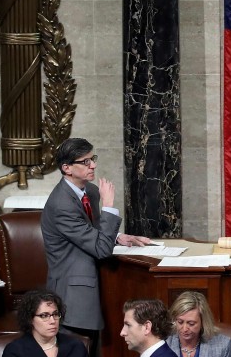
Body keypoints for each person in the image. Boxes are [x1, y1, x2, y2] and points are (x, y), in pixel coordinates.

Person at [42, 137, 154, 340]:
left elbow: (90, 230)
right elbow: (100, 248)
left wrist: (118, 236)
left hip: (97, 282)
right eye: (85, 162)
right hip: (73, 295)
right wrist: (109, 206)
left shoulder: (90, 191)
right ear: (67, 168)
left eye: (92, 158)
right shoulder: (61, 204)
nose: (93, 165)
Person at [0, 289, 100, 357]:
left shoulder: (76, 346)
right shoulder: (15, 350)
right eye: (44, 316)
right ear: (30, 319)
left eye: (55, 314)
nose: (52, 321)